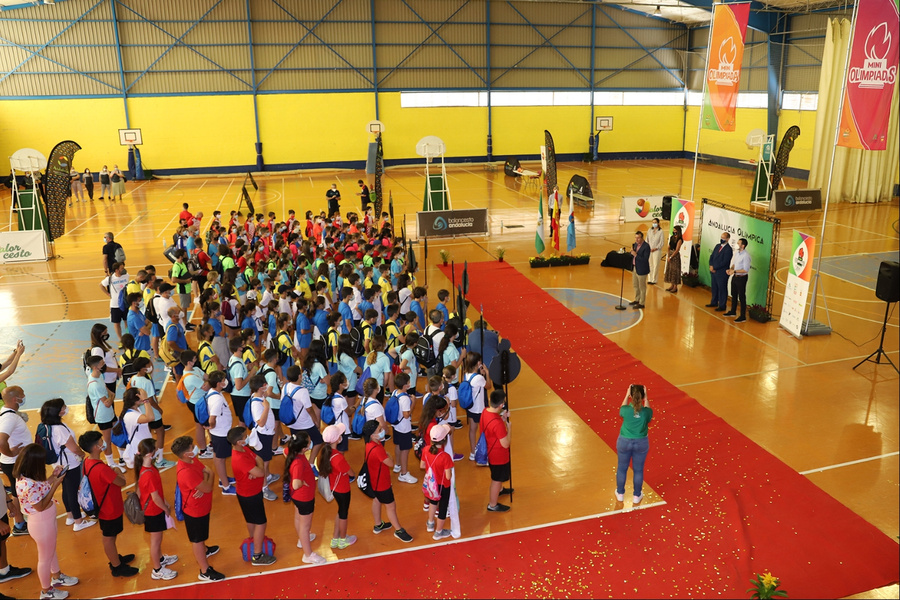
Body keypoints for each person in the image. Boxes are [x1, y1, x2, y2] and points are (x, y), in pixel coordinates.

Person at [14, 444, 79, 600]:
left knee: (50, 551)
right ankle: (46, 591)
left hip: (45, 521)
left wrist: (53, 477)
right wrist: (56, 484)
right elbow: (41, 505)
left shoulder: (27, 476)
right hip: (41, 522)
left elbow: (41, 488)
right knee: (44, 558)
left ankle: (56, 576)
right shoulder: (27, 484)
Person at [78, 431, 139, 579]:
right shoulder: (101, 469)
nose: (103, 442)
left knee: (110, 536)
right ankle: (117, 567)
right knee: (109, 538)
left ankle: (115, 558)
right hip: (109, 508)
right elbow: (121, 481)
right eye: (101, 441)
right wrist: (117, 470)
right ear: (97, 447)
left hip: (104, 505)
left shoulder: (88, 462)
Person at [171, 436, 226, 582]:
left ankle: (205, 550)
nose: (194, 447)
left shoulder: (191, 459)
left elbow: (207, 471)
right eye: (191, 447)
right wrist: (208, 479)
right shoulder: (186, 472)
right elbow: (208, 484)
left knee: (201, 537)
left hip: (202, 506)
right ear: (185, 454)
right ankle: (204, 570)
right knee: (197, 540)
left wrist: (205, 480)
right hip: (194, 511)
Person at [38, 399, 95, 532]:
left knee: (66, 489)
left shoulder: (45, 425)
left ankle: (70, 515)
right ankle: (78, 521)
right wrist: (82, 455)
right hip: (70, 464)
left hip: (58, 464)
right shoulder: (59, 430)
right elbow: (74, 448)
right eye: (63, 406)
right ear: (58, 412)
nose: (65, 408)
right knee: (73, 492)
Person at [227, 426, 276, 566]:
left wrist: (256, 467)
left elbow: (258, 458)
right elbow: (261, 472)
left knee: (251, 520)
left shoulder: (243, 449)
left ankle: (254, 540)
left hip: (246, 493)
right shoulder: (240, 458)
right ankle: (258, 555)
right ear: (239, 442)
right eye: (245, 436)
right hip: (250, 495)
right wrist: (258, 468)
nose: (247, 437)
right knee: (261, 523)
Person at [361, 420, 413, 543]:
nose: (382, 431)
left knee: (377, 500)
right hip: (382, 484)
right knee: (391, 506)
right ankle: (399, 530)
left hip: (374, 481)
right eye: (379, 430)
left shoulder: (369, 445)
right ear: (372, 435)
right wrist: (389, 456)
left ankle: (378, 524)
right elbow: (390, 463)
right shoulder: (377, 449)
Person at [134, 439, 178, 580]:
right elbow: (155, 498)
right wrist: (165, 508)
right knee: (155, 541)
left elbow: (155, 492)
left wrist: (165, 502)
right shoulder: (149, 474)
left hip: (153, 509)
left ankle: (160, 559)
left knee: (157, 538)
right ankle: (157, 569)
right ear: (150, 453)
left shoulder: (148, 468)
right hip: (153, 511)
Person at [284, 432, 325, 564]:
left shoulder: (291, 452)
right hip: (304, 497)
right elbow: (296, 484)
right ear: (304, 448)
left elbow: (285, 452)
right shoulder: (298, 463)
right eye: (308, 442)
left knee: (298, 518)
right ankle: (308, 554)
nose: (310, 442)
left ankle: (302, 540)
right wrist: (303, 482)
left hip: (297, 497)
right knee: (305, 526)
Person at [318, 424, 356, 550]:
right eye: (340, 435)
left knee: (340, 511)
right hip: (343, 489)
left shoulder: (326, 454)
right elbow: (351, 472)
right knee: (344, 513)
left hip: (334, 488)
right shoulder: (338, 457)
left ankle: (335, 538)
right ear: (337, 439)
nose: (342, 436)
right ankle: (343, 539)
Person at [0, 386, 32, 536]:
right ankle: (19, 524)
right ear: (15, 399)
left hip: (13, 461)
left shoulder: (8, 413)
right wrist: (11, 452)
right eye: (22, 394)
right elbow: (1, 441)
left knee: (16, 490)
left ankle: (20, 521)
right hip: (15, 461)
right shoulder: (9, 418)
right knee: (17, 492)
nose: (24, 396)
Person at [615, 384, 652, 505]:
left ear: (631, 396)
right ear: (643, 396)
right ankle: (637, 495)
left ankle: (620, 494)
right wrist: (646, 398)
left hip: (624, 442)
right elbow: (648, 413)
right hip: (641, 442)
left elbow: (622, 409)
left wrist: (626, 395)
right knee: (638, 470)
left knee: (622, 468)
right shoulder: (646, 412)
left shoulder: (625, 410)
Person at [85, 356, 121, 471]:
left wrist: (111, 396)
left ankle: (122, 457)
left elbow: (109, 393)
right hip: (103, 416)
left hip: (109, 413)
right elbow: (107, 402)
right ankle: (111, 463)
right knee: (107, 440)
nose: (104, 364)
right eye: (102, 363)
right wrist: (111, 397)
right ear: (96, 367)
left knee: (117, 431)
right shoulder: (94, 384)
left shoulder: (99, 375)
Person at [246, 375, 278, 502]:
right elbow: (261, 423)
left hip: (268, 434)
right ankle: (264, 487)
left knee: (267, 459)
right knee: (263, 462)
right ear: (260, 388)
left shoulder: (260, 397)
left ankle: (268, 476)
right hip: (263, 435)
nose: (266, 386)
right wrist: (266, 407)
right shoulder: (257, 404)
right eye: (265, 385)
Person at [421, 423, 454, 541]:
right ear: (444, 440)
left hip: (431, 484)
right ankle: (438, 532)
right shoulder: (445, 457)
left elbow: (422, 465)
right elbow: (448, 476)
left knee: (433, 502)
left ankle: (430, 523)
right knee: (443, 507)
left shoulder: (425, 450)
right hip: (443, 485)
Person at [205, 371, 236, 495]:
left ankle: (223, 479)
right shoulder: (216, 399)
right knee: (220, 459)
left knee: (219, 456)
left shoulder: (214, 393)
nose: (226, 381)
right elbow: (212, 419)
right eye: (224, 379)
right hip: (220, 433)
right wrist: (211, 427)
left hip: (220, 432)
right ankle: (226, 486)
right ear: (219, 383)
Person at [482, 389, 512, 513]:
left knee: (497, 476)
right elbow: (505, 443)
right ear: (501, 405)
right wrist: (509, 429)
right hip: (498, 455)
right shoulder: (498, 423)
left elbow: (491, 429)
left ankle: (500, 490)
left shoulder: (485, 411)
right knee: (497, 479)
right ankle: (492, 504)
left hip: (490, 451)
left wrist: (503, 418)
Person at [389, 373, 417, 484]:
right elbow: (406, 414)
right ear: (405, 385)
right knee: (405, 449)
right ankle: (404, 474)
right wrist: (413, 402)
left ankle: (398, 465)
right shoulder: (405, 398)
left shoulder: (395, 392)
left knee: (398, 445)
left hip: (396, 425)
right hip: (404, 427)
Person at [101, 262, 130, 342]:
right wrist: (108, 293)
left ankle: (129, 337)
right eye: (122, 268)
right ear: (116, 270)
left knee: (127, 321)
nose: (123, 269)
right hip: (115, 305)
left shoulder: (126, 276)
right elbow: (101, 285)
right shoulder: (110, 279)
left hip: (125, 303)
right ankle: (121, 340)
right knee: (117, 323)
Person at [725, 238, 750, 323]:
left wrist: (734, 271)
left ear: (743, 245)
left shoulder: (746, 255)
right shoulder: (737, 253)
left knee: (742, 296)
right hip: (735, 277)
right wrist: (730, 269)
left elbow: (746, 269)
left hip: (742, 278)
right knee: (733, 294)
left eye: (738, 243)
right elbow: (735, 264)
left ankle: (743, 316)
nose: (737, 244)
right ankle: (733, 311)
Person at [707, 232, 733, 312]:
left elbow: (725, 262)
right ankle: (714, 302)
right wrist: (711, 265)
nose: (722, 239)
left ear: (727, 239)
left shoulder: (728, 249)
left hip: (721, 273)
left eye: (723, 238)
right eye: (721, 237)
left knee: (722, 289)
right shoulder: (717, 246)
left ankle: (722, 305)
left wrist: (715, 267)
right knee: (714, 287)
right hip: (714, 271)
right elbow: (712, 256)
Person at [630, 231, 650, 310]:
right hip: (635, 267)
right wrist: (631, 252)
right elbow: (632, 255)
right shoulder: (635, 244)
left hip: (642, 268)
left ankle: (642, 303)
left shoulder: (646, 246)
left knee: (642, 287)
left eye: (638, 238)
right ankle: (637, 299)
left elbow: (645, 259)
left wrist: (635, 255)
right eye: (635, 237)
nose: (637, 239)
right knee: (635, 284)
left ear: (642, 238)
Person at [665, 225, 684, 294]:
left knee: (675, 271)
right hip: (670, 254)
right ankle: (671, 285)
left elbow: (677, 250)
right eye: (673, 230)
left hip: (675, 256)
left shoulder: (680, 239)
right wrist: (668, 255)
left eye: (675, 230)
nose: (674, 231)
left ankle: (675, 287)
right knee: (670, 270)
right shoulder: (672, 237)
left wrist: (671, 257)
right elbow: (669, 246)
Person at [647, 218, 665, 285]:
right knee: (650, 264)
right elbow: (647, 239)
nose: (654, 223)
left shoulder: (661, 232)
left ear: (658, 223)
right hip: (649, 250)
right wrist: (648, 248)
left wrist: (655, 248)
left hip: (657, 251)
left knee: (655, 265)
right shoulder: (649, 230)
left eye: (655, 222)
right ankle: (649, 278)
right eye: (653, 222)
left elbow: (662, 242)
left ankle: (654, 279)